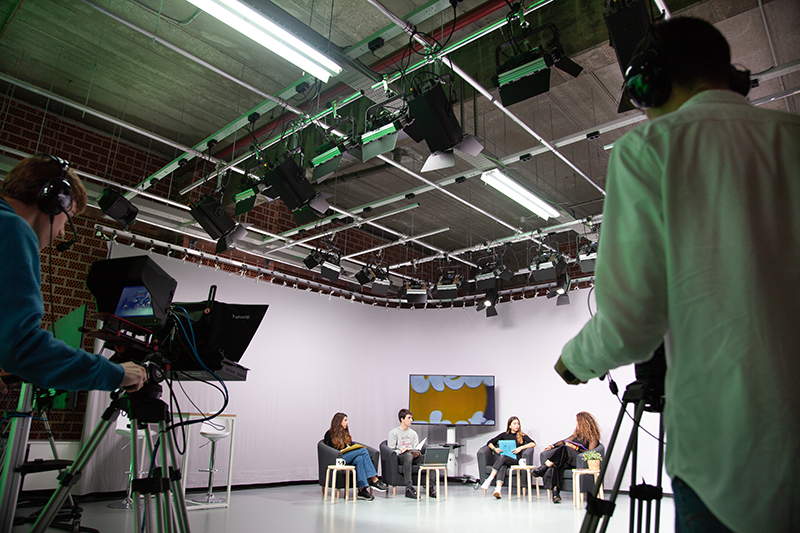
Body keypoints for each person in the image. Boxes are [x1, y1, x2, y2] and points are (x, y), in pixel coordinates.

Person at [555, 16, 800, 532]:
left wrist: (574, 361)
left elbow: (632, 321)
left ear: (652, 82)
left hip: (725, 461)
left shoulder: (651, 148)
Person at [0, 155, 146, 394]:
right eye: (67, 219)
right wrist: (116, 374)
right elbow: (23, 348)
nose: (61, 233)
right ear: (53, 203)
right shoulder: (13, 229)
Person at [532, 411, 600, 503]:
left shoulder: (592, 437)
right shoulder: (576, 435)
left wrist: (575, 448)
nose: (576, 424)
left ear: (583, 423)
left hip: (580, 462)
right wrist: (552, 446)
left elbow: (589, 453)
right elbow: (564, 441)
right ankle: (555, 493)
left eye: (578, 422)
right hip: (570, 460)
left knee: (564, 449)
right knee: (557, 464)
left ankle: (544, 468)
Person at [324, 412, 388, 500]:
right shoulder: (329, 434)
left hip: (347, 457)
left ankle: (362, 490)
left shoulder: (345, 433)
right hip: (338, 459)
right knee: (363, 451)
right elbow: (329, 450)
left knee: (359, 459)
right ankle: (374, 479)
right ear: (339, 421)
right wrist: (339, 452)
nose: (347, 423)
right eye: (345, 420)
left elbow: (348, 445)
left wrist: (349, 448)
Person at [479, 416, 536, 499]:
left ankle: (489, 479)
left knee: (503, 458)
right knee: (502, 465)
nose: (517, 426)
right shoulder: (504, 435)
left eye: (518, 424)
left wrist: (520, 448)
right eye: (514, 424)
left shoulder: (522, 435)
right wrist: (495, 449)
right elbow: (490, 442)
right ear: (510, 426)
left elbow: (533, 443)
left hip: (516, 460)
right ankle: (498, 490)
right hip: (505, 460)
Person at [387, 408, 435, 499]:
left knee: (429, 458)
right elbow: (391, 449)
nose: (411, 420)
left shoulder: (413, 433)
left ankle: (431, 488)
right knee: (408, 455)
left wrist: (417, 452)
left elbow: (416, 447)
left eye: (411, 418)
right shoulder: (393, 433)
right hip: (401, 456)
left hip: (413, 455)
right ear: (402, 419)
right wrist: (401, 451)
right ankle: (409, 488)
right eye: (409, 418)